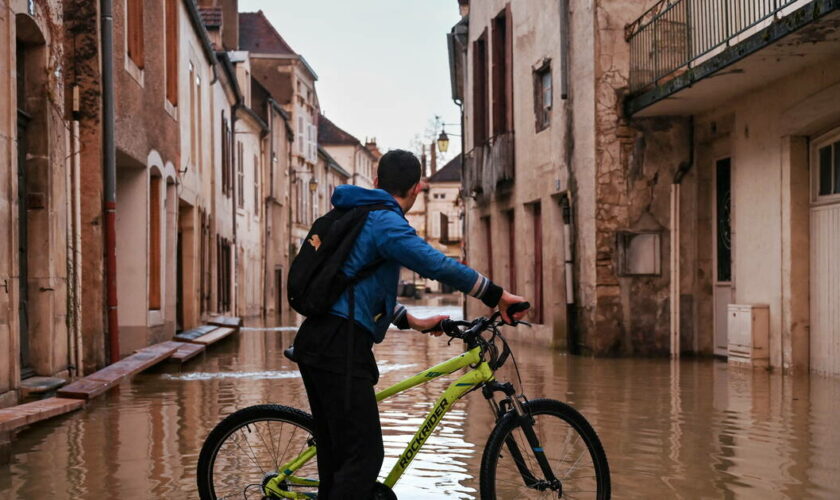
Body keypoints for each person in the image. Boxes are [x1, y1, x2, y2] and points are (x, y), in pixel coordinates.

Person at [292, 149, 527, 499]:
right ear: (416, 189)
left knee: (338, 458)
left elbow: (361, 288)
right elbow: (436, 265)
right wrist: (496, 295)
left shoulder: (359, 212)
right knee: (364, 457)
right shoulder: (385, 221)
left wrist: (411, 320)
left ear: (375, 181)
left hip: (323, 340)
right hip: (338, 345)